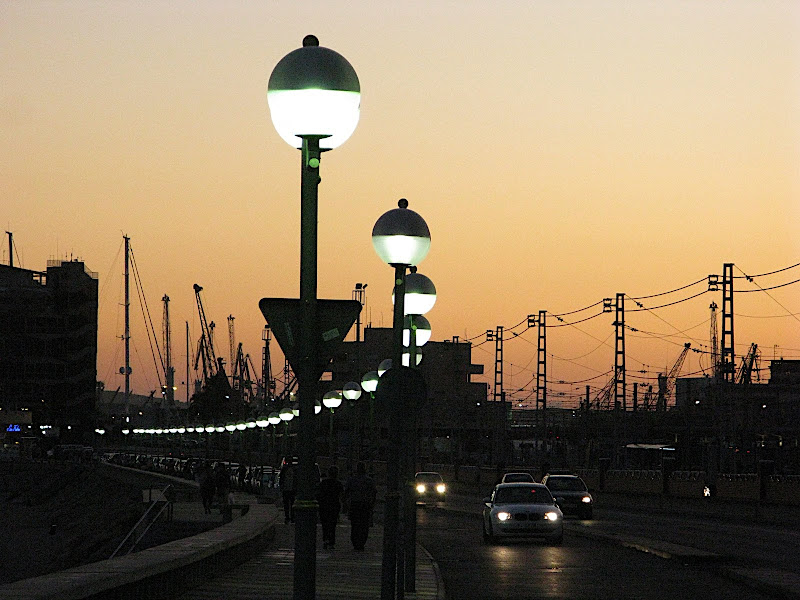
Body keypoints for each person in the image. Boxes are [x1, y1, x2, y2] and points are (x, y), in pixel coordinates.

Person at [343, 462, 377, 551]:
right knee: (364, 525)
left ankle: (355, 543)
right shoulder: (369, 480)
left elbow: (346, 492)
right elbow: (374, 492)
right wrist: (372, 503)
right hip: (365, 504)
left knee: (355, 525)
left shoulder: (352, 480)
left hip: (355, 504)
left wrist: (345, 504)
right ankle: (361, 543)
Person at [317, 465, 344, 549]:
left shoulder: (323, 483)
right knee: (332, 524)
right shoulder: (338, 484)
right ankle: (331, 541)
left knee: (325, 524)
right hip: (334, 505)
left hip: (324, 505)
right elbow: (341, 496)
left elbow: (318, 494)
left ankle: (325, 539)